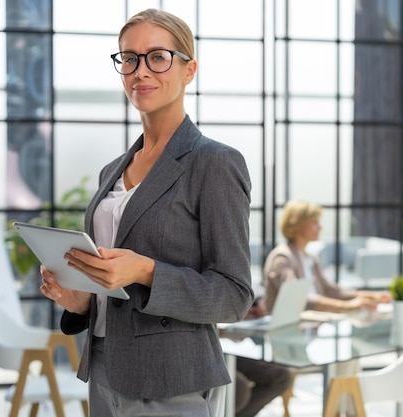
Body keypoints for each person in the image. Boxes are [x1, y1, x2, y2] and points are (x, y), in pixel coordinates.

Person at [39, 9, 253, 417]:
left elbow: (234, 295)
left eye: (158, 57)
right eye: (129, 58)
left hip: (171, 378)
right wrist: (80, 300)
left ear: (189, 70)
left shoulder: (214, 163)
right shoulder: (112, 170)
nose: (141, 71)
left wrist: (146, 271)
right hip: (104, 368)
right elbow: (112, 285)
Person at [263, 200, 391, 314]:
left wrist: (372, 296)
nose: (320, 227)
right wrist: (347, 306)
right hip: (285, 331)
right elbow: (297, 297)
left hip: (310, 326)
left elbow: (332, 291)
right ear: (299, 225)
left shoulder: (310, 259)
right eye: (314, 222)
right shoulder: (282, 258)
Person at [233, 297, 293, 417]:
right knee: (239, 388)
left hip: (223, 342)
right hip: (201, 353)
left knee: (281, 376)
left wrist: (240, 314)